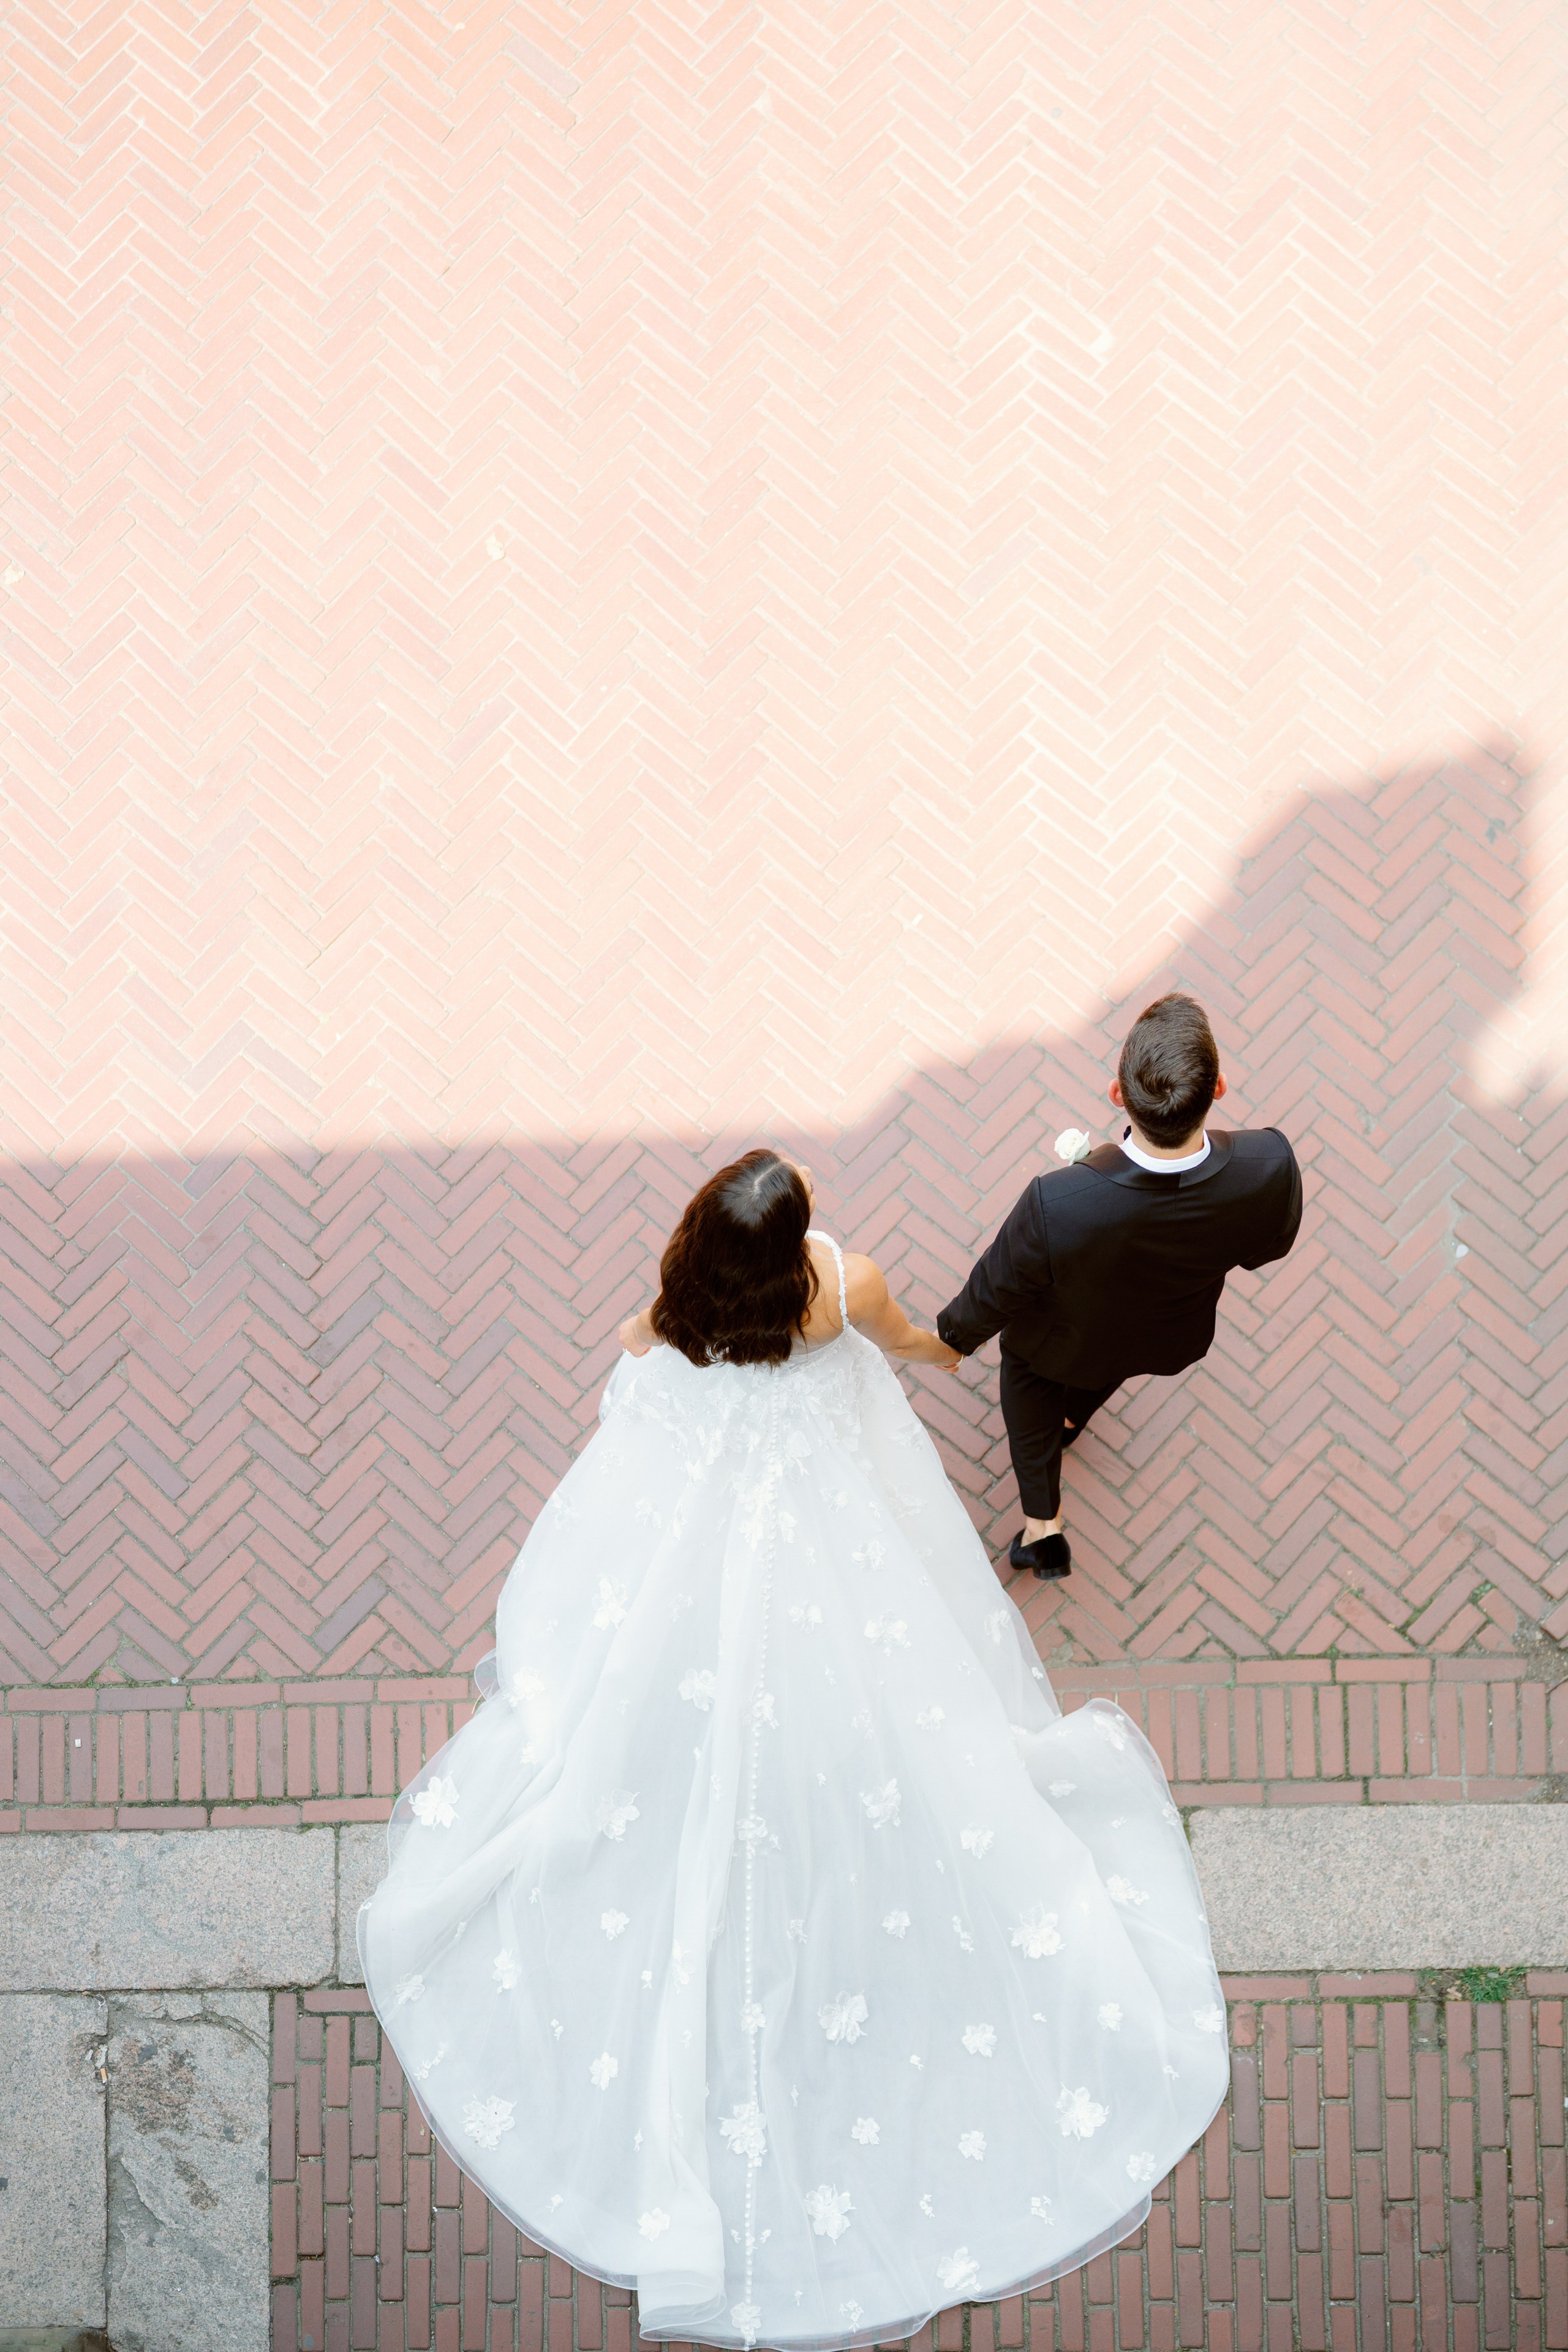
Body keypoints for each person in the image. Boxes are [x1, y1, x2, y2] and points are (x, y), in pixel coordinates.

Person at [358, 1150, 1228, 2350]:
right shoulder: (838, 1285)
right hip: (832, 1513)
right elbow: (906, 1340)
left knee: (680, 1686)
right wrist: (940, 1354)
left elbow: (636, 1357)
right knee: (882, 1671)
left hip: (721, 1524)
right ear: (787, 1246)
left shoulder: (676, 1310)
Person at [938, 993, 1303, 1580]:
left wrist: (953, 1340)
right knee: (1111, 1363)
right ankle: (1072, 1421)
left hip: (1059, 1342)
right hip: (1167, 1336)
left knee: (1030, 1388)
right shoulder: (1270, 1163)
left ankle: (1044, 1532)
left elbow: (996, 1289)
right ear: (1219, 1088)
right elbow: (1268, 1249)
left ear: (1117, 1094)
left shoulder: (1058, 1201)